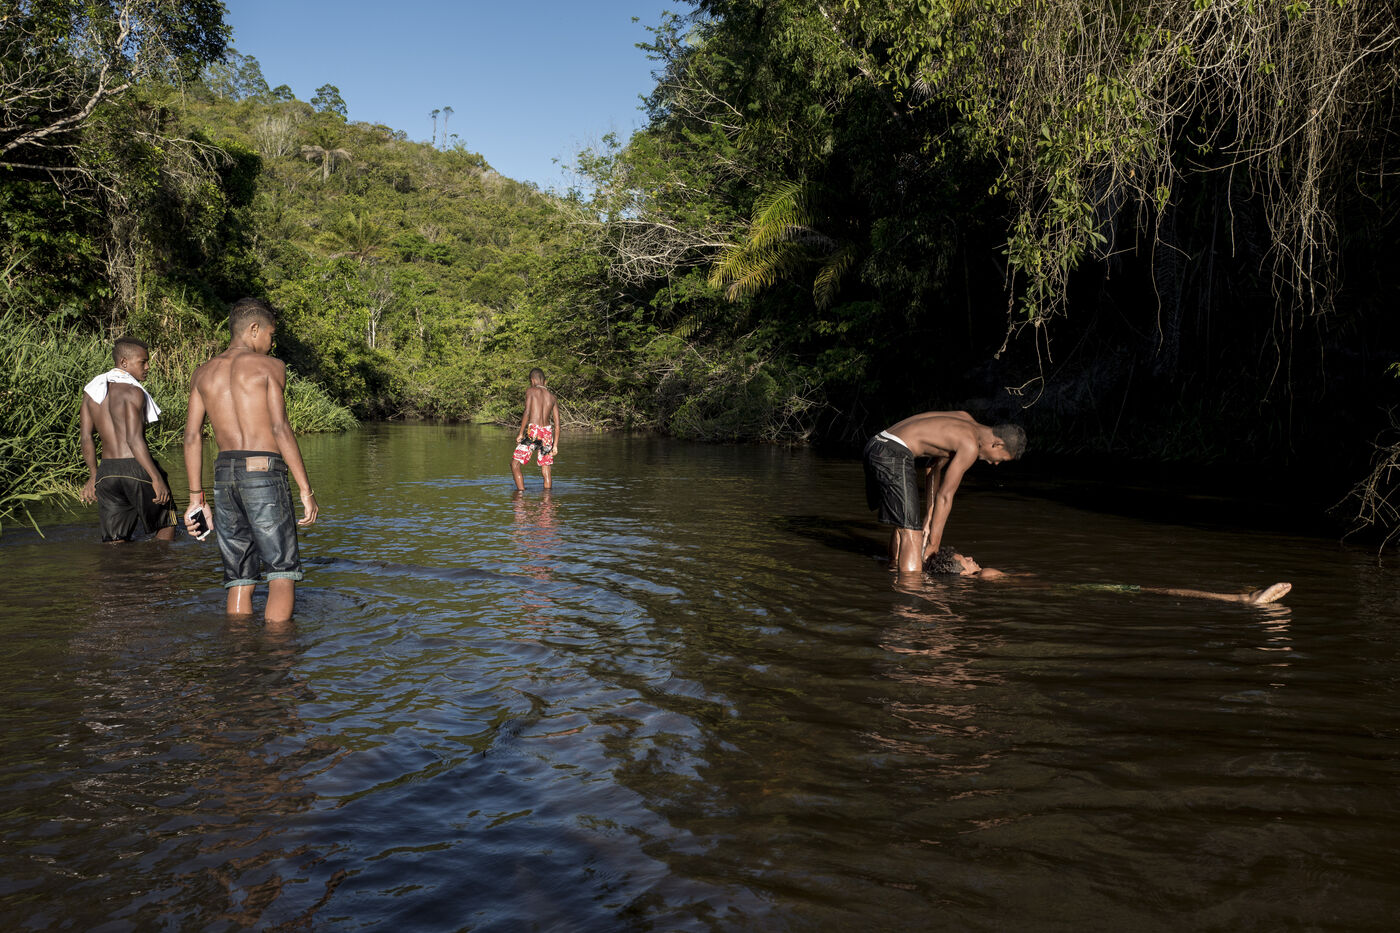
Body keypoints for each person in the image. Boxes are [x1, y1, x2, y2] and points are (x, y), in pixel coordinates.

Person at [183, 298, 318, 624]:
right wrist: (306, 490)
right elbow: (280, 428)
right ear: (254, 329)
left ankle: (238, 645)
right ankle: (278, 650)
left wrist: (195, 499)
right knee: (281, 571)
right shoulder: (271, 367)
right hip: (263, 471)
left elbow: (191, 437)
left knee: (239, 575)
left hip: (224, 475)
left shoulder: (202, 373)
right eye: (271, 334)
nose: (272, 343)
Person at [863, 411, 1026, 574]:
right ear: (998, 444)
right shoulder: (970, 446)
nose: (996, 463)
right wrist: (933, 546)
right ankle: (910, 586)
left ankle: (893, 567)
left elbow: (933, 467)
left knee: (905, 522)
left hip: (877, 443)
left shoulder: (964, 418)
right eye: (1002, 459)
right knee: (912, 533)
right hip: (893, 453)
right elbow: (945, 497)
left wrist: (929, 516)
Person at [925, 547, 1293, 606]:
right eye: (964, 560)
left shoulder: (984, 579)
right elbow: (1027, 580)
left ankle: (1240, 595)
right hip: (1072, 588)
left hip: (1065, 589)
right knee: (1153, 589)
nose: (970, 558)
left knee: (1150, 589)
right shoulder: (986, 575)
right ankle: (1241, 600)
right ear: (962, 574)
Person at [79, 337, 176, 542]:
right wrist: (156, 478)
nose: (148, 367)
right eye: (143, 362)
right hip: (136, 467)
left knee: (114, 541)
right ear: (124, 362)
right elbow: (133, 439)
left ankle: (120, 564)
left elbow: (86, 437)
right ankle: (161, 562)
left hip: (107, 472)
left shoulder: (91, 394)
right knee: (166, 524)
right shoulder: (133, 392)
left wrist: (94, 475)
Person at [512, 368, 559, 491]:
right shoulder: (552, 397)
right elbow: (557, 425)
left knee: (515, 464)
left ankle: (521, 494)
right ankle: (547, 498)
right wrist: (555, 446)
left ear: (532, 380)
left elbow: (527, 412)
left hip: (534, 432)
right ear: (545, 381)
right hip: (547, 433)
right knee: (546, 467)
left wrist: (520, 433)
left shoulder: (531, 391)